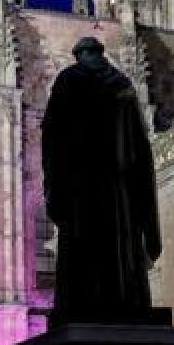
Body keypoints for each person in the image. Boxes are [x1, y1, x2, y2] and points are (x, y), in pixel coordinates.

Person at [41, 36, 163, 327]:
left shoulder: (69, 80)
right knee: (119, 245)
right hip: (120, 186)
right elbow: (141, 145)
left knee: (84, 245)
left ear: (80, 54)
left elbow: (53, 136)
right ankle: (124, 298)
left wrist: (54, 183)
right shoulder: (122, 85)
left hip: (82, 184)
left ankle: (85, 298)